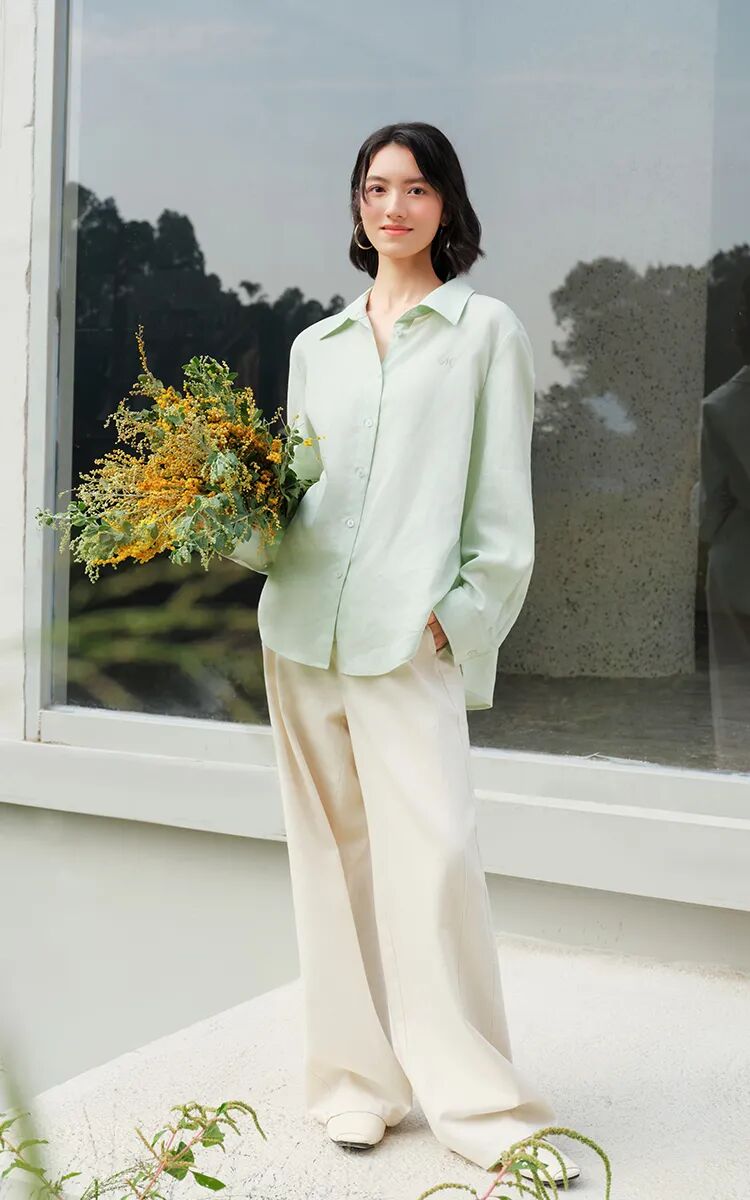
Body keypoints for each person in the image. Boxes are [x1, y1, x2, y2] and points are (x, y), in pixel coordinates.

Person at [253, 121, 581, 1185]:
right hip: (303, 633)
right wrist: (225, 519)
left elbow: (504, 509)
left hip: (410, 638)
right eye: (376, 188)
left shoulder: (485, 332)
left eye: (416, 188)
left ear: (446, 206)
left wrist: (461, 616)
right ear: (357, 205)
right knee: (330, 865)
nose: (394, 207)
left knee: (434, 861)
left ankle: (482, 1104)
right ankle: (357, 1084)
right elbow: (297, 497)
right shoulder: (317, 346)